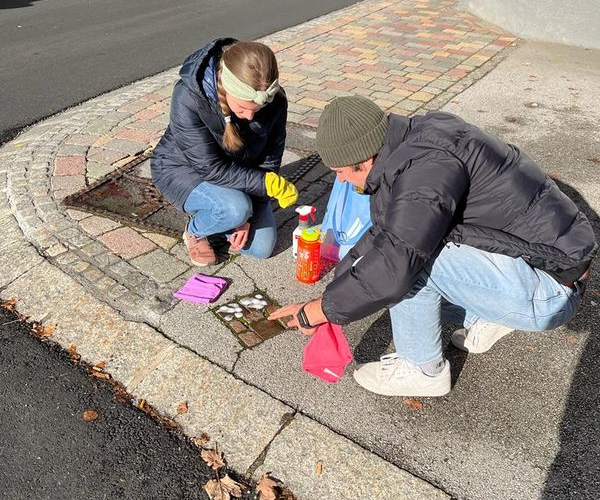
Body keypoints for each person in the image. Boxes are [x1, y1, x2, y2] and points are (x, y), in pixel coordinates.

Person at [269, 95, 597, 397]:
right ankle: (489, 316)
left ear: (363, 158)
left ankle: (422, 369)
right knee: (399, 261)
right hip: (539, 263)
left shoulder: (426, 169)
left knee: (409, 267)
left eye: (340, 171)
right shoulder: (405, 147)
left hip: (553, 287)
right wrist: (331, 298)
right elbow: (383, 234)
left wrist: (315, 312)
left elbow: (395, 261)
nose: (339, 180)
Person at [152, 38, 298, 266]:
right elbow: (210, 168)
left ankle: (230, 214)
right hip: (184, 170)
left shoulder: (276, 101)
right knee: (234, 208)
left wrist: (250, 216)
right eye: (242, 108)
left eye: (257, 110)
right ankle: (195, 230)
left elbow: (270, 160)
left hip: (239, 174)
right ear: (227, 88)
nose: (250, 117)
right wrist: (262, 187)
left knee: (261, 248)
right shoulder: (188, 96)